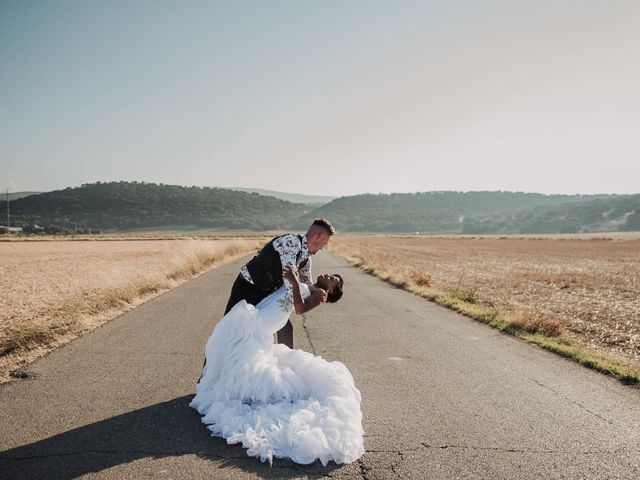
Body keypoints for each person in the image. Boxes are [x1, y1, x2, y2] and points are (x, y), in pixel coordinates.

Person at [190, 266, 364, 466]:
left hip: (275, 315)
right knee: (238, 339)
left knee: (245, 342)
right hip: (269, 308)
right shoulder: (312, 283)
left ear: (331, 290)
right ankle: (227, 381)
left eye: (332, 279)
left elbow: (299, 309)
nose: (327, 275)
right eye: (331, 274)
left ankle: (237, 388)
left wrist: (295, 282)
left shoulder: (320, 293)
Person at [224, 218, 335, 348]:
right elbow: (292, 288)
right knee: (228, 329)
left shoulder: (306, 259)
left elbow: (307, 287)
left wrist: (319, 295)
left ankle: (285, 363)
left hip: (268, 294)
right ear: (319, 236)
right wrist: (310, 298)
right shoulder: (290, 243)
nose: (323, 247)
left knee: (285, 328)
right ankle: (212, 366)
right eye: (325, 243)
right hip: (248, 287)